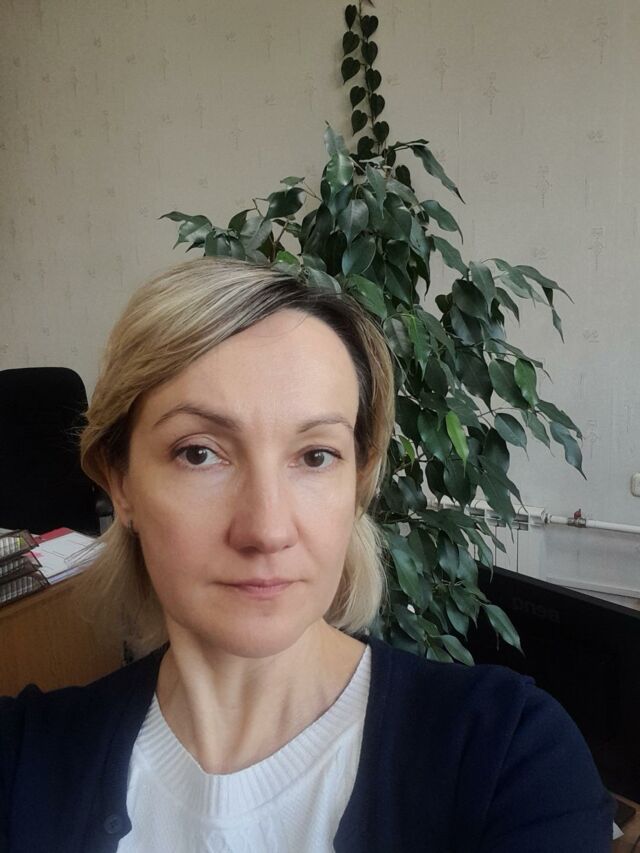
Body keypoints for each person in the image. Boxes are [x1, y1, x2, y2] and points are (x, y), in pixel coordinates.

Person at [0, 258, 614, 852]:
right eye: (199, 453)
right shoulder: (22, 763)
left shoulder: (509, 759)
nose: (267, 530)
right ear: (120, 483)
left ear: (357, 483)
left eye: (316, 456)